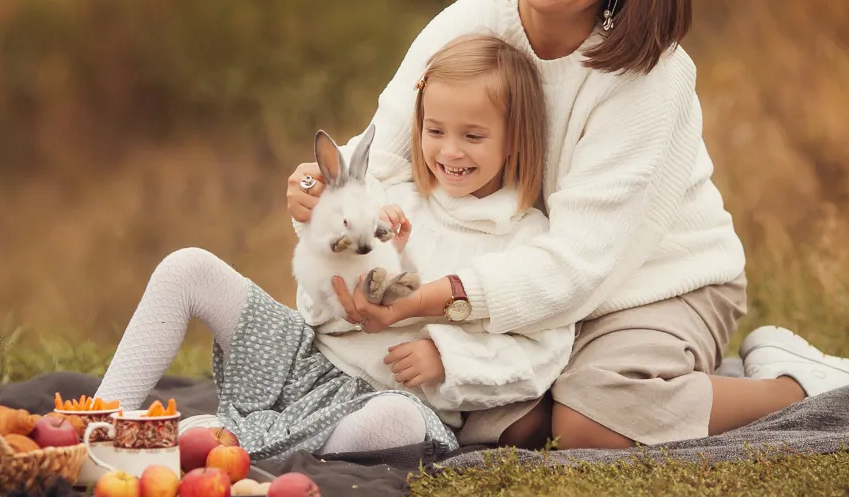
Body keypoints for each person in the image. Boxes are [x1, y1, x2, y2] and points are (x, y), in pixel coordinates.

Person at [287, 0, 849, 451]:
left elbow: (579, 265)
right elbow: (382, 156)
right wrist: (319, 192)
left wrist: (432, 298)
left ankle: (795, 384)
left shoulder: (650, 77)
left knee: (589, 422)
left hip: (653, 284)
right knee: (507, 424)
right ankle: (619, 385)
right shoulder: (471, 19)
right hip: (525, 271)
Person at [95, 34, 573, 458]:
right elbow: (313, 298)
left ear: (513, 140)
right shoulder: (389, 196)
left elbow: (540, 354)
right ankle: (97, 424)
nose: (449, 151)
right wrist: (345, 283)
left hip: (388, 398)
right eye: (434, 131)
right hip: (303, 361)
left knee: (397, 425)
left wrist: (447, 361)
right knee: (188, 268)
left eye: (473, 135)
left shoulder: (526, 237)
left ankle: (243, 439)